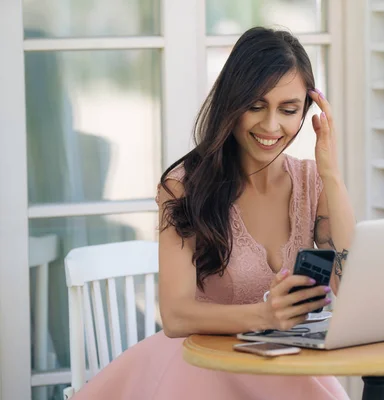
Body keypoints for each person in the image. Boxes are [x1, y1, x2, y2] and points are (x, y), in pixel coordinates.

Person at [71, 26, 355, 400]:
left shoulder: (311, 182)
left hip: (282, 367)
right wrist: (265, 317)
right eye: (255, 106)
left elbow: (352, 289)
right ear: (231, 104)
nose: (271, 126)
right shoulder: (185, 185)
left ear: (307, 110)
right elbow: (175, 316)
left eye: (288, 110)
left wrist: (331, 175)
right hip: (201, 369)